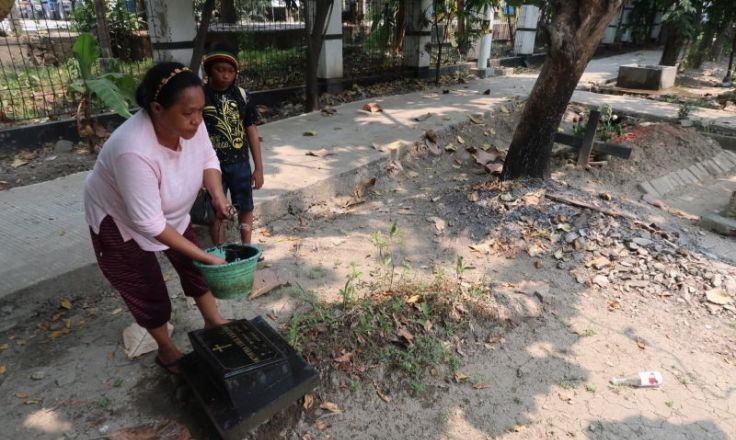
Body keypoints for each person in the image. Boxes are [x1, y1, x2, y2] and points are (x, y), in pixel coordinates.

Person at [84, 62, 234, 374]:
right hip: (121, 222)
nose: (196, 120)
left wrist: (218, 194)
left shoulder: (192, 122)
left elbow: (207, 157)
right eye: (188, 113)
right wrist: (205, 256)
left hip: (167, 214)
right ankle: (167, 351)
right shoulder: (133, 150)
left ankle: (213, 321)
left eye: (200, 111)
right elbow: (150, 224)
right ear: (156, 108)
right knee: (147, 287)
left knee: (194, 269)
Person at [201, 43, 264, 245]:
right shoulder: (200, 97)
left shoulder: (242, 96)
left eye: (230, 71)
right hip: (212, 168)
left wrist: (259, 168)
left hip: (240, 164)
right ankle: (221, 250)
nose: (225, 75)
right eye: (220, 70)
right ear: (210, 71)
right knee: (216, 209)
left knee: (246, 205)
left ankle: (247, 245)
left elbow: (252, 132)